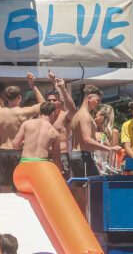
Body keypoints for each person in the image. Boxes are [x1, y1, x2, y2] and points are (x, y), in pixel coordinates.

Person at [0, 73, 45, 193]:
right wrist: (33, 85)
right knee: (21, 187)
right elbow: (44, 104)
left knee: (5, 189)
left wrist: (3, 138)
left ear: (6, 98)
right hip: (19, 151)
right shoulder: (23, 113)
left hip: (3, 152)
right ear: (19, 97)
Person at [70, 85, 121, 213]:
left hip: (77, 156)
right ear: (89, 97)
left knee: (81, 190)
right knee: (93, 190)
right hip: (83, 156)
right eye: (97, 100)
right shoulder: (85, 116)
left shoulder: (77, 115)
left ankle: (81, 221)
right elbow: (87, 139)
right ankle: (87, 223)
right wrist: (108, 148)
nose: (98, 104)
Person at [45, 71, 77, 175]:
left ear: (59, 102)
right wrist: (53, 82)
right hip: (46, 156)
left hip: (62, 155)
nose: (51, 103)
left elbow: (73, 109)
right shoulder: (44, 117)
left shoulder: (65, 116)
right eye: (49, 101)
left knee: (63, 184)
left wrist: (63, 88)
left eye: (54, 100)